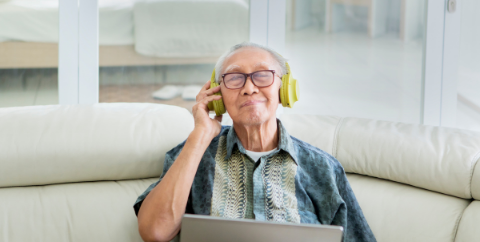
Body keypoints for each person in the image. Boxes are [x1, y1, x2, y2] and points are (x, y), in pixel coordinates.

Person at [134, 42, 376, 242]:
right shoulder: (192, 155)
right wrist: (200, 135)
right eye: (235, 78)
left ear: (284, 89)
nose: (249, 88)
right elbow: (155, 231)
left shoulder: (322, 168)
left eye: (262, 75)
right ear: (218, 94)